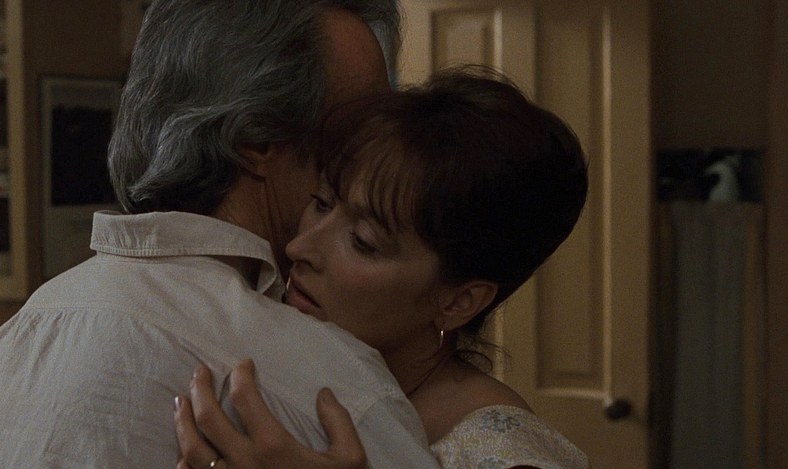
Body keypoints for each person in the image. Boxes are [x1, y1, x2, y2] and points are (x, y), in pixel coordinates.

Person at [0, 0, 443, 467]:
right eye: (361, 127)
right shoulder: (337, 397)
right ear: (256, 140)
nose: (379, 153)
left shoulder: (21, 339)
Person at [174, 67, 591, 468]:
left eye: (363, 241)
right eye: (321, 203)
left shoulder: (498, 449)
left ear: (459, 301)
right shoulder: (295, 366)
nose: (299, 247)